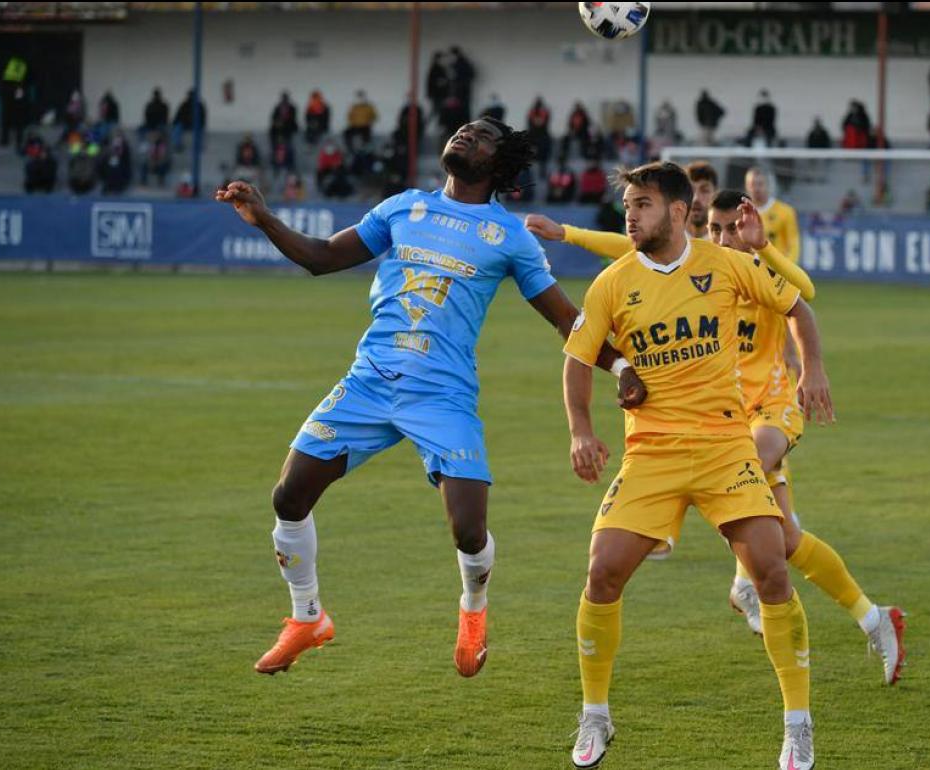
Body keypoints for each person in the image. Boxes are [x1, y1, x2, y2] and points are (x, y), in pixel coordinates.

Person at [215, 117, 646, 680]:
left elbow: (567, 319)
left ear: (498, 163)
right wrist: (264, 218)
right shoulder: (402, 208)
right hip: (369, 380)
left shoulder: (508, 235)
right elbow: (321, 257)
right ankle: (306, 618)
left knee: (468, 529)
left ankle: (472, 610)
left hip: (443, 395)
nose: (466, 136)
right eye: (463, 130)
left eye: (482, 136)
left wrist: (620, 365)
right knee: (289, 497)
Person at [525, 184, 903, 691]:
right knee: (785, 539)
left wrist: (763, 247)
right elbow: (626, 251)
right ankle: (874, 617)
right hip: (723, 414)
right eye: (716, 229)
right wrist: (567, 234)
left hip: (768, 408)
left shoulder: (751, 267)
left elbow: (805, 296)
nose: (724, 238)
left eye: (732, 229)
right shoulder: (691, 268)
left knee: (752, 482)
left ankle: (723, 563)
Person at [560, 161, 831, 770]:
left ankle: (797, 726)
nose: (630, 215)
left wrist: (812, 368)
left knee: (771, 569)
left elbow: (799, 307)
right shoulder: (612, 283)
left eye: (643, 204)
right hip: (651, 452)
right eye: (627, 204)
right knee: (602, 572)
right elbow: (577, 359)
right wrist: (582, 430)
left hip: (724, 447)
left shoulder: (728, 264)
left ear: (679, 212)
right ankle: (595, 715)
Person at [746, 167, 800, 263]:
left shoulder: (786, 212)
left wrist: (787, 268)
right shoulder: (740, 213)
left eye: (760, 184)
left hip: (777, 272)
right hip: (751, 272)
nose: (756, 189)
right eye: (753, 184)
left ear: (767, 185)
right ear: (747, 186)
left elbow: (793, 245)